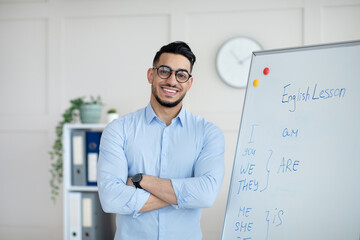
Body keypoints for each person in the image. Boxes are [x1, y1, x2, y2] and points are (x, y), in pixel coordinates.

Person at [97, 41, 225, 240]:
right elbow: (111, 199)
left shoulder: (208, 133)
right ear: (151, 75)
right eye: (165, 71)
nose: (172, 81)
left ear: (189, 83)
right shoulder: (118, 130)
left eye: (181, 75)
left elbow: (206, 195)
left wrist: (142, 181)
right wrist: (187, 193)